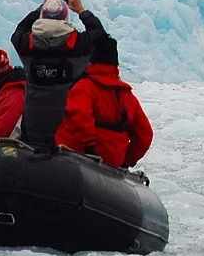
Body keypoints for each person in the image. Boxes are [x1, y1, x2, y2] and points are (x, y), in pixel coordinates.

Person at [11, 0, 105, 149]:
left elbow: (19, 31)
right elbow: (99, 36)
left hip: (35, 128)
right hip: (68, 130)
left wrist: (43, 6)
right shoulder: (79, 45)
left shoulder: (28, 45)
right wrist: (81, 11)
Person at [56, 33, 152, 168]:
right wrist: (126, 162)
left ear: (92, 59)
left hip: (73, 159)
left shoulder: (84, 87)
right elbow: (145, 135)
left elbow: (80, 115)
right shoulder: (127, 96)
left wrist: (90, 148)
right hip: (112, 165)